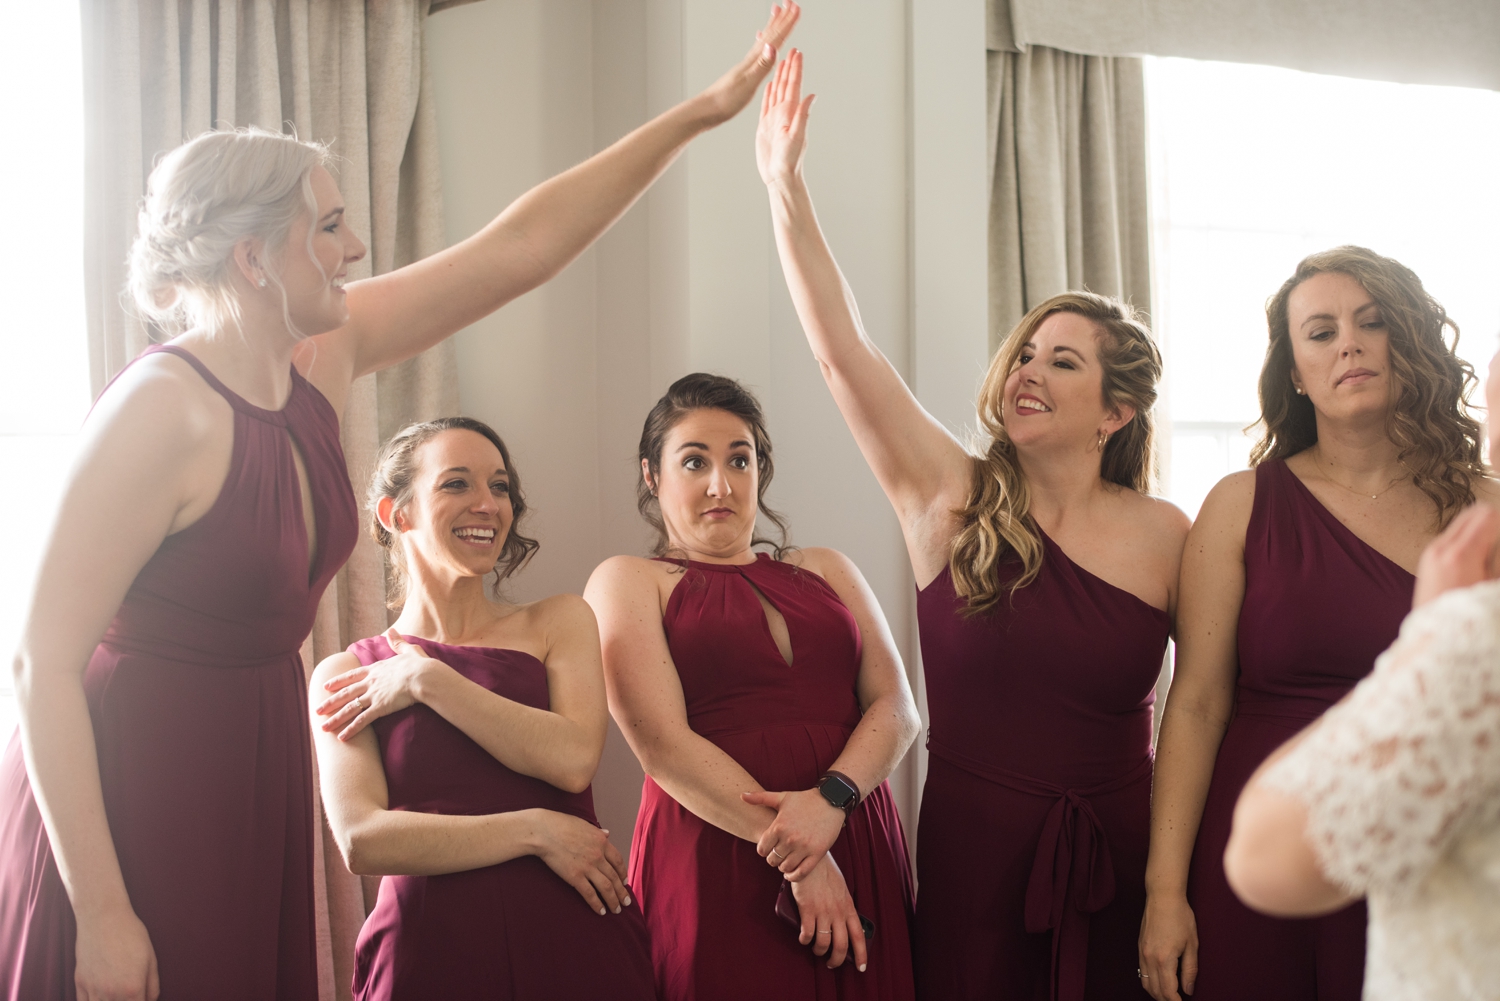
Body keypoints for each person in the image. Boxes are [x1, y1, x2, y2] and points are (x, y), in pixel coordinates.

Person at [0, 7, 800, 999]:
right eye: (328, 225)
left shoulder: (322, 359)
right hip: (136, 785)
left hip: (248, 769)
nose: (357, 242)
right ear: (254, 256)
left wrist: (701, 115)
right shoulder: (160, 408)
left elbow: (523, 248)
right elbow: (39, 659)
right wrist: (107, 913)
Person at [756, 54, 1189, 1001]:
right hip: (974, 859)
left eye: (1063, 362)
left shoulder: (1169, 534)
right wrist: (784, 186)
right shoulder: (945, 494)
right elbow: (843, 352)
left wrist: (1172, 886)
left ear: (1116, 412)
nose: (1027, 371)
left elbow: (1205, 710)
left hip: (1123, 857)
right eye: (1025, 351)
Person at [1138, 246, 1493, 1001]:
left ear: (1411, 342)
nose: (1350, 344)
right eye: (1321, 332)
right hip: (1262, 841)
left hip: (1429, 836)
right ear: (1294, 371)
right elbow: (1198, 704)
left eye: (1372, 322)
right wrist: (1164, 891)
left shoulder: (1483, 507)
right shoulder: (1240, 504)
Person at [584, 373, 920, 1001]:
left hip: (852, 830)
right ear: (652, 475)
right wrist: (804, 855)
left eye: (739, 459)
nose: (721, 483)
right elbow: (661, 745)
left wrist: (829, 806)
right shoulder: (627, 580)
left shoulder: (825, 567)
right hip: (719, 852)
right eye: (694, 461)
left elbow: (897, 708)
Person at [307, 417, 655, 999]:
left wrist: (428, 678)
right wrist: (535, 831)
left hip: (576, 942)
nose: (488, 504)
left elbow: (571, 760)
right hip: (427, 954)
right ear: (397, 514)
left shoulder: (559, 621)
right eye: (457, 484)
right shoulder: (345, 673)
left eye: (500, 487)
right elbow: (363, 840)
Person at [1224, 355, 1500, 997]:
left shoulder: (1473, 629)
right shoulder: (1247, 500)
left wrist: (1428, 641)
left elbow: (1264, 861)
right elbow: (1200, 700)